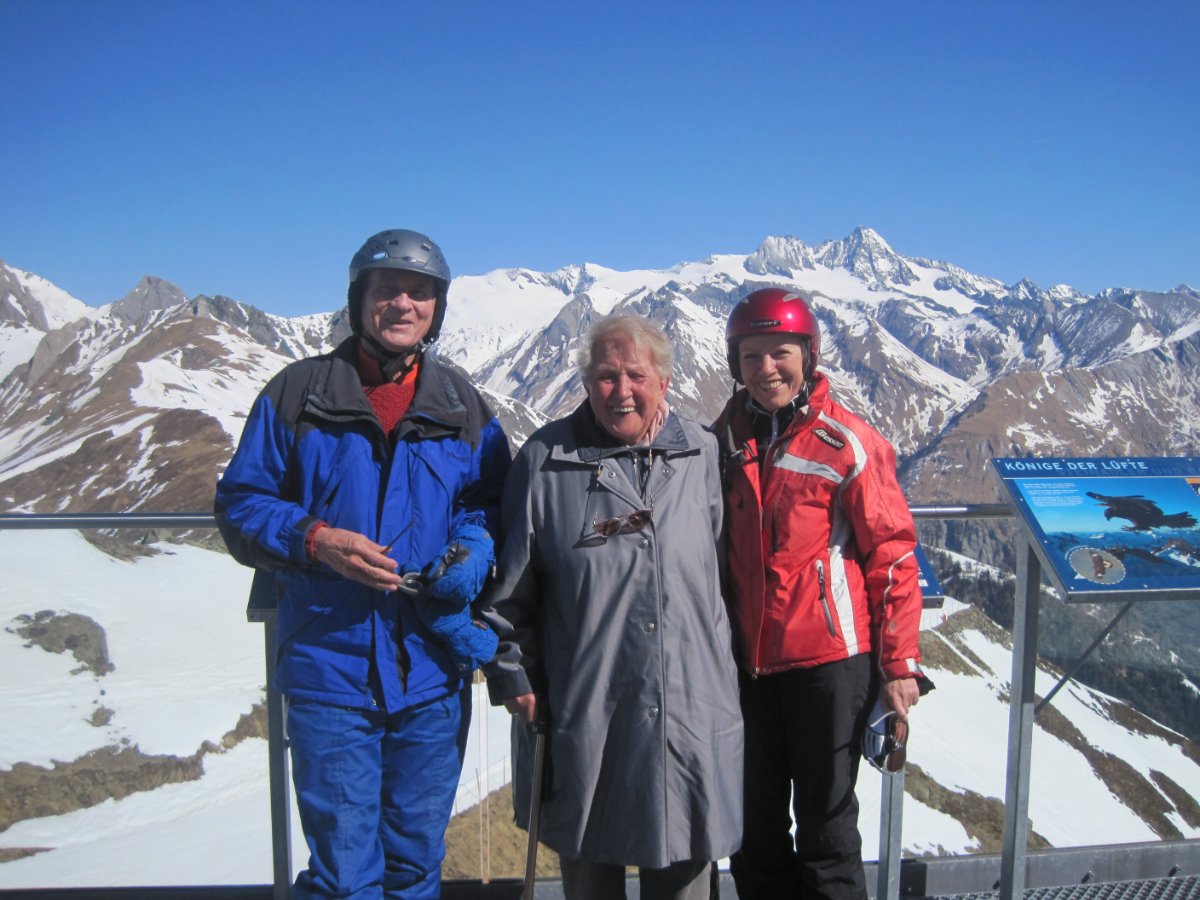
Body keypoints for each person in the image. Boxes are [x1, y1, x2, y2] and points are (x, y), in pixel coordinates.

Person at [214, 228, 511, 899]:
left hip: (430, 671)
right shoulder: (297, 393)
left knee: (414, 864)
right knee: (344, 875)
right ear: (359, 301)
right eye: (388, 289)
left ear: (437, 307)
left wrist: (475, 544)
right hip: (330, 668)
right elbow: (241, 503)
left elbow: (490, 499)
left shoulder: (461, 403)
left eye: (420, 292)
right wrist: (315, 539)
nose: (403, 304)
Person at [479, 315, 743, 900]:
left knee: (686, 868)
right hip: (587, 705)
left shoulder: (701, 453)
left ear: (664, 382)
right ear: (585, 383)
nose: (621, 390)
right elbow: (510, 593)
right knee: (589, 867)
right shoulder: (546, 461)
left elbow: (725, 573)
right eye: (605, 375)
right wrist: (514, 675)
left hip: (691, 705)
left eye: (636, 375)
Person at [713, 287, 926, 900]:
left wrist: (899, 665)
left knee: (827, 833)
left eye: (780, 353)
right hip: (748, 668)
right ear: (735, 363)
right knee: (753, 833)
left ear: (808, 356)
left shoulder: (846, 440)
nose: (766, 369)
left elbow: (892, 554)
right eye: (751, 356)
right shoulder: (722, 437)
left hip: (828, 667)